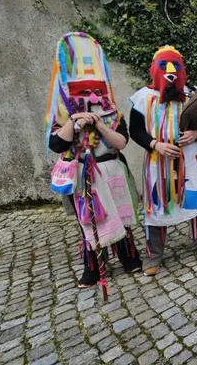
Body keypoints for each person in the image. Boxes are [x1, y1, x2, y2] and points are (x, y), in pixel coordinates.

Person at [45, 32, 141, 288]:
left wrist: (100, 126)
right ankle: (93, 267)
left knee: (121, 216)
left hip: (111, 169)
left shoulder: (110, 111)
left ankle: (128, 256)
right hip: (83, 173)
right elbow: (56, 144)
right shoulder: (64, 112)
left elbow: (122, 142)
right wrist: (74, 125)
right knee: (90, 219)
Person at [129, 46, 197, 276]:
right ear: (154, 69)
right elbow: (135, 130)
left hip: (190, 157)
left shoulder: (196, 94)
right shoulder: (142, 98)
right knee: (157, 204)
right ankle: (154, 254)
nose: (170, 72)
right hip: (159, 162)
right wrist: (155, 144)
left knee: (196, 197)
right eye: (164, 66)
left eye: (175, 66)